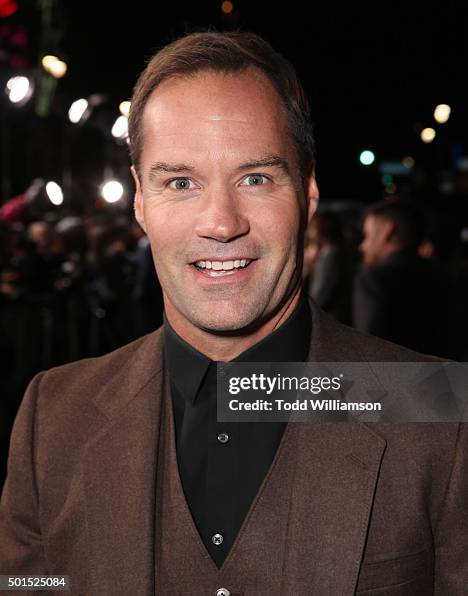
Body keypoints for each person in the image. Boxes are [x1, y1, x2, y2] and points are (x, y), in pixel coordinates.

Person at [0, 31, 467, 595]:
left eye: (256, 178)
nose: (221, 223)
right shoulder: (52, 419)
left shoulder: (441, 414)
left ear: (308, 193)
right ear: (140, 202)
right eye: (180, 182)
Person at [353, 198, 452, 356]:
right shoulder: (445, 278)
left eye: (367, 235)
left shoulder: (376, 279)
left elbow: (370, 349)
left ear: (388, 231)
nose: (363, 245)